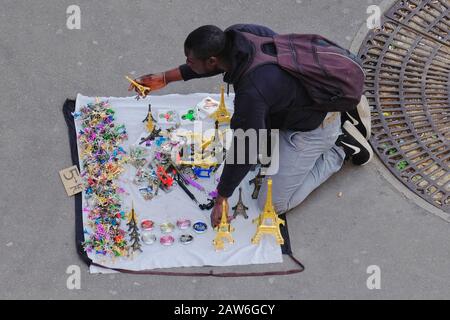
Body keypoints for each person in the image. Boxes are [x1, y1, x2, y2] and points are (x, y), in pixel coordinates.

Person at [129, 24, 373, 227]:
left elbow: (245, 149)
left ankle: (340, 147)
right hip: (294, 103)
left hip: (314, 127)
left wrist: (221, 198)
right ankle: (330, 124)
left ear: (213, 59)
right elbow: (212, 67)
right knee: (255, 137)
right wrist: (165, 78)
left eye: (190, 61)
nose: (186, 64)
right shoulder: (241, 34)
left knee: (272, 203)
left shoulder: (253, 92)